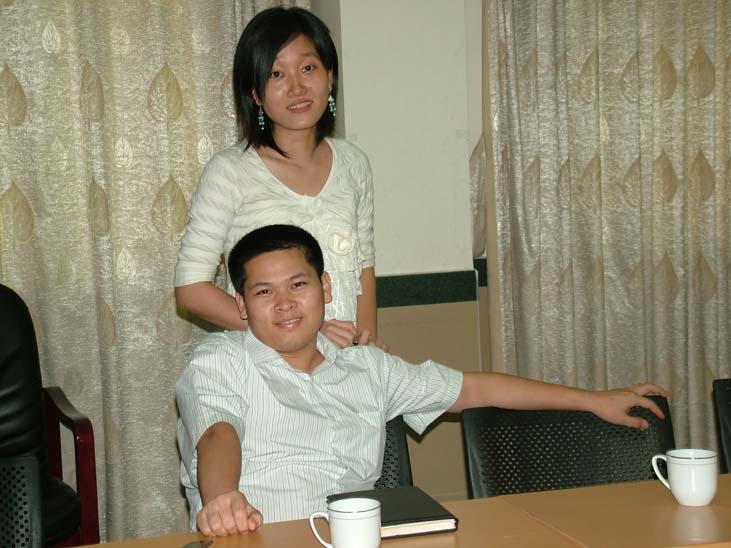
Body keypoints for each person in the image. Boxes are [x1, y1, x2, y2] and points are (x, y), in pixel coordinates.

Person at [175, 224, 668, 537]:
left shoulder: (367, 368)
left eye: (298, 284)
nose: (284, 303)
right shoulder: (220, 360)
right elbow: (218, 433)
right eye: (264, 292)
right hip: (254, 536)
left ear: (325, 288)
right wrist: (222, 500)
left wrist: (592, 400)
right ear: (241, 305)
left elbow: (472, 389)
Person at [175, 7, 380, 349]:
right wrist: (304, 333)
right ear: (255, 93)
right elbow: (191, 289)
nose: (297, 87)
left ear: (330, 76)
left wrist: (367, 351)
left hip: (346, 362)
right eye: (276, 74)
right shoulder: (230, 171)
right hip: (267, 366)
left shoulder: (354, 163)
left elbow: (364, 269)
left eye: (308, 68)